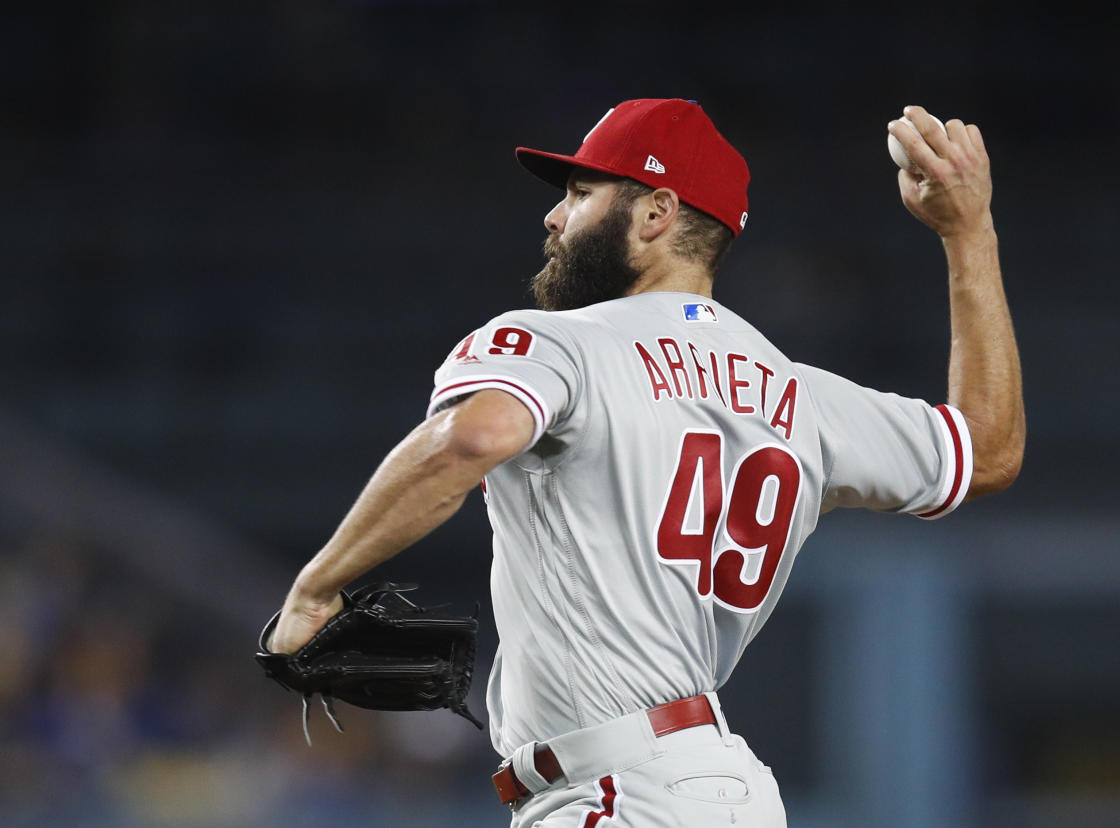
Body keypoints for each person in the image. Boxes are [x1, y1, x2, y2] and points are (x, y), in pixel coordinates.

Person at [265, 98, 1024, 826]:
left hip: (616, 790)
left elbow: (472, 437)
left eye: (582, 192)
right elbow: (986, 450)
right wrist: (969, 234)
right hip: (717, 786)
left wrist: (314, 589)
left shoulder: (563, 345)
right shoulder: (803, 397)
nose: (554, 216)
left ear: (656, 212)